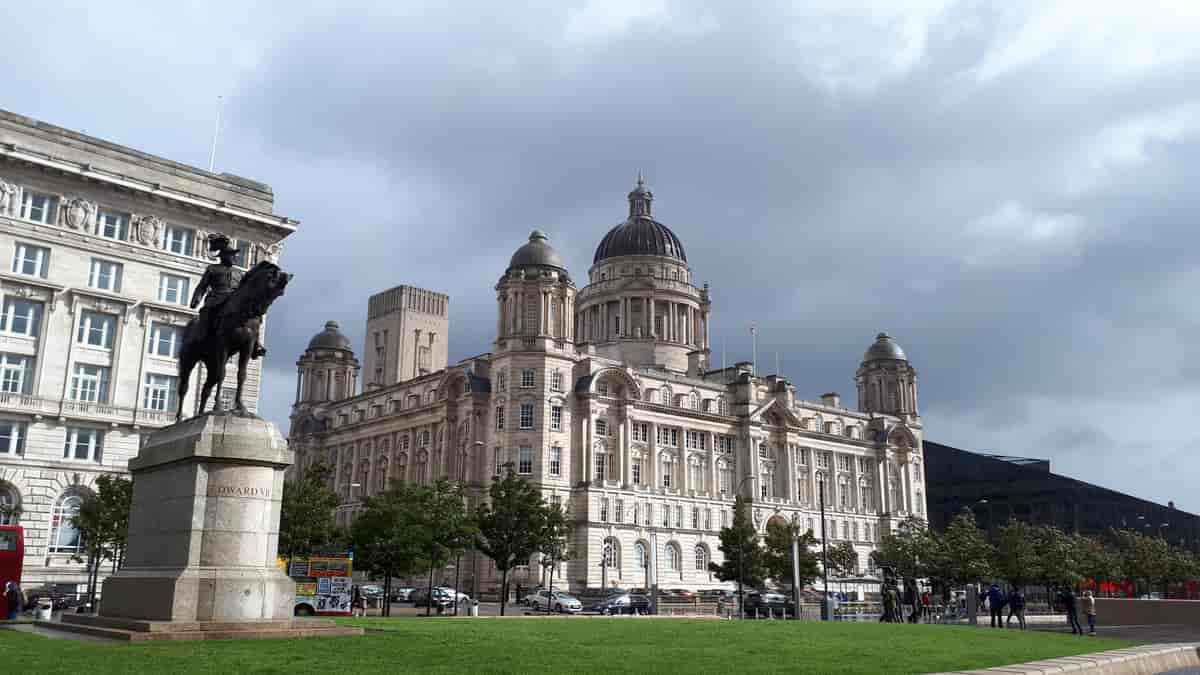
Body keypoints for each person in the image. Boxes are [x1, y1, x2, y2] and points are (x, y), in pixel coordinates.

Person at [190, 233, 267, 359]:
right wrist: (196, 300)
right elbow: (202, 286)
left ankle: (256, 344)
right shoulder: (212, 269)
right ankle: (201, 337)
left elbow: (245, 290)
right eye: (231, 255)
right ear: (224, 256)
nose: (234, 258)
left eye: (234, 255)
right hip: (217, 297)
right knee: (207, 312)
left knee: (255, 317)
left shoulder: (239, 273)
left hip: (234, 300)